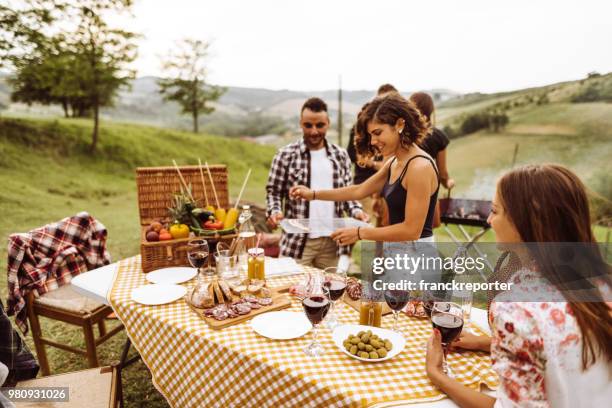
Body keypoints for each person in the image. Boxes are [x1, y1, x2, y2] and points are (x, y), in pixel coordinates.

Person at [425, 164, 612, 407]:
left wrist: (437, 374)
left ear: (527, 220)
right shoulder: (601, 284)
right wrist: (485, 343)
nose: (490, 220)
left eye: (495, 211)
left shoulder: (516, 310)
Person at [290, 93, 440, 283]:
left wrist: (360, 233)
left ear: (400, 125)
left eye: (377, 133)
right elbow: (359, 190)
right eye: (370, 135)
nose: (373, 142)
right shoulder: (395, 162)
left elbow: (412, 230)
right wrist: (312, 194)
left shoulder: (420, 167)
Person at [265, 97, 368, 270]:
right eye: (308, 125)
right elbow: (273, 191)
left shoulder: (340, 155)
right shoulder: (285, 155)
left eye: (320, 125)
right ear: (301, 123)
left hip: (332, 242)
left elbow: (347, 193)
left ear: (328, 123)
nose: (314, 131)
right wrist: (275, 211)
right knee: (289, 289)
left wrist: (357, 212)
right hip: (297, 243)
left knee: (328, 293)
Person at [347, 83, 399, 226]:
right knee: (363, 226)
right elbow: (356, 158)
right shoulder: (362, 125)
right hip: (365, 185)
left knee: (382, 231)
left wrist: (376, 164)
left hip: (388, 189)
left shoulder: (397, 130)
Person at [409, 92, 454, 228]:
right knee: (426, 230)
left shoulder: (405, 133)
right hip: (426, 189)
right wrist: (449, 183)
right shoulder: (439, 136)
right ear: (431, 110)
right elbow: (442, 174)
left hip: (403, 187)